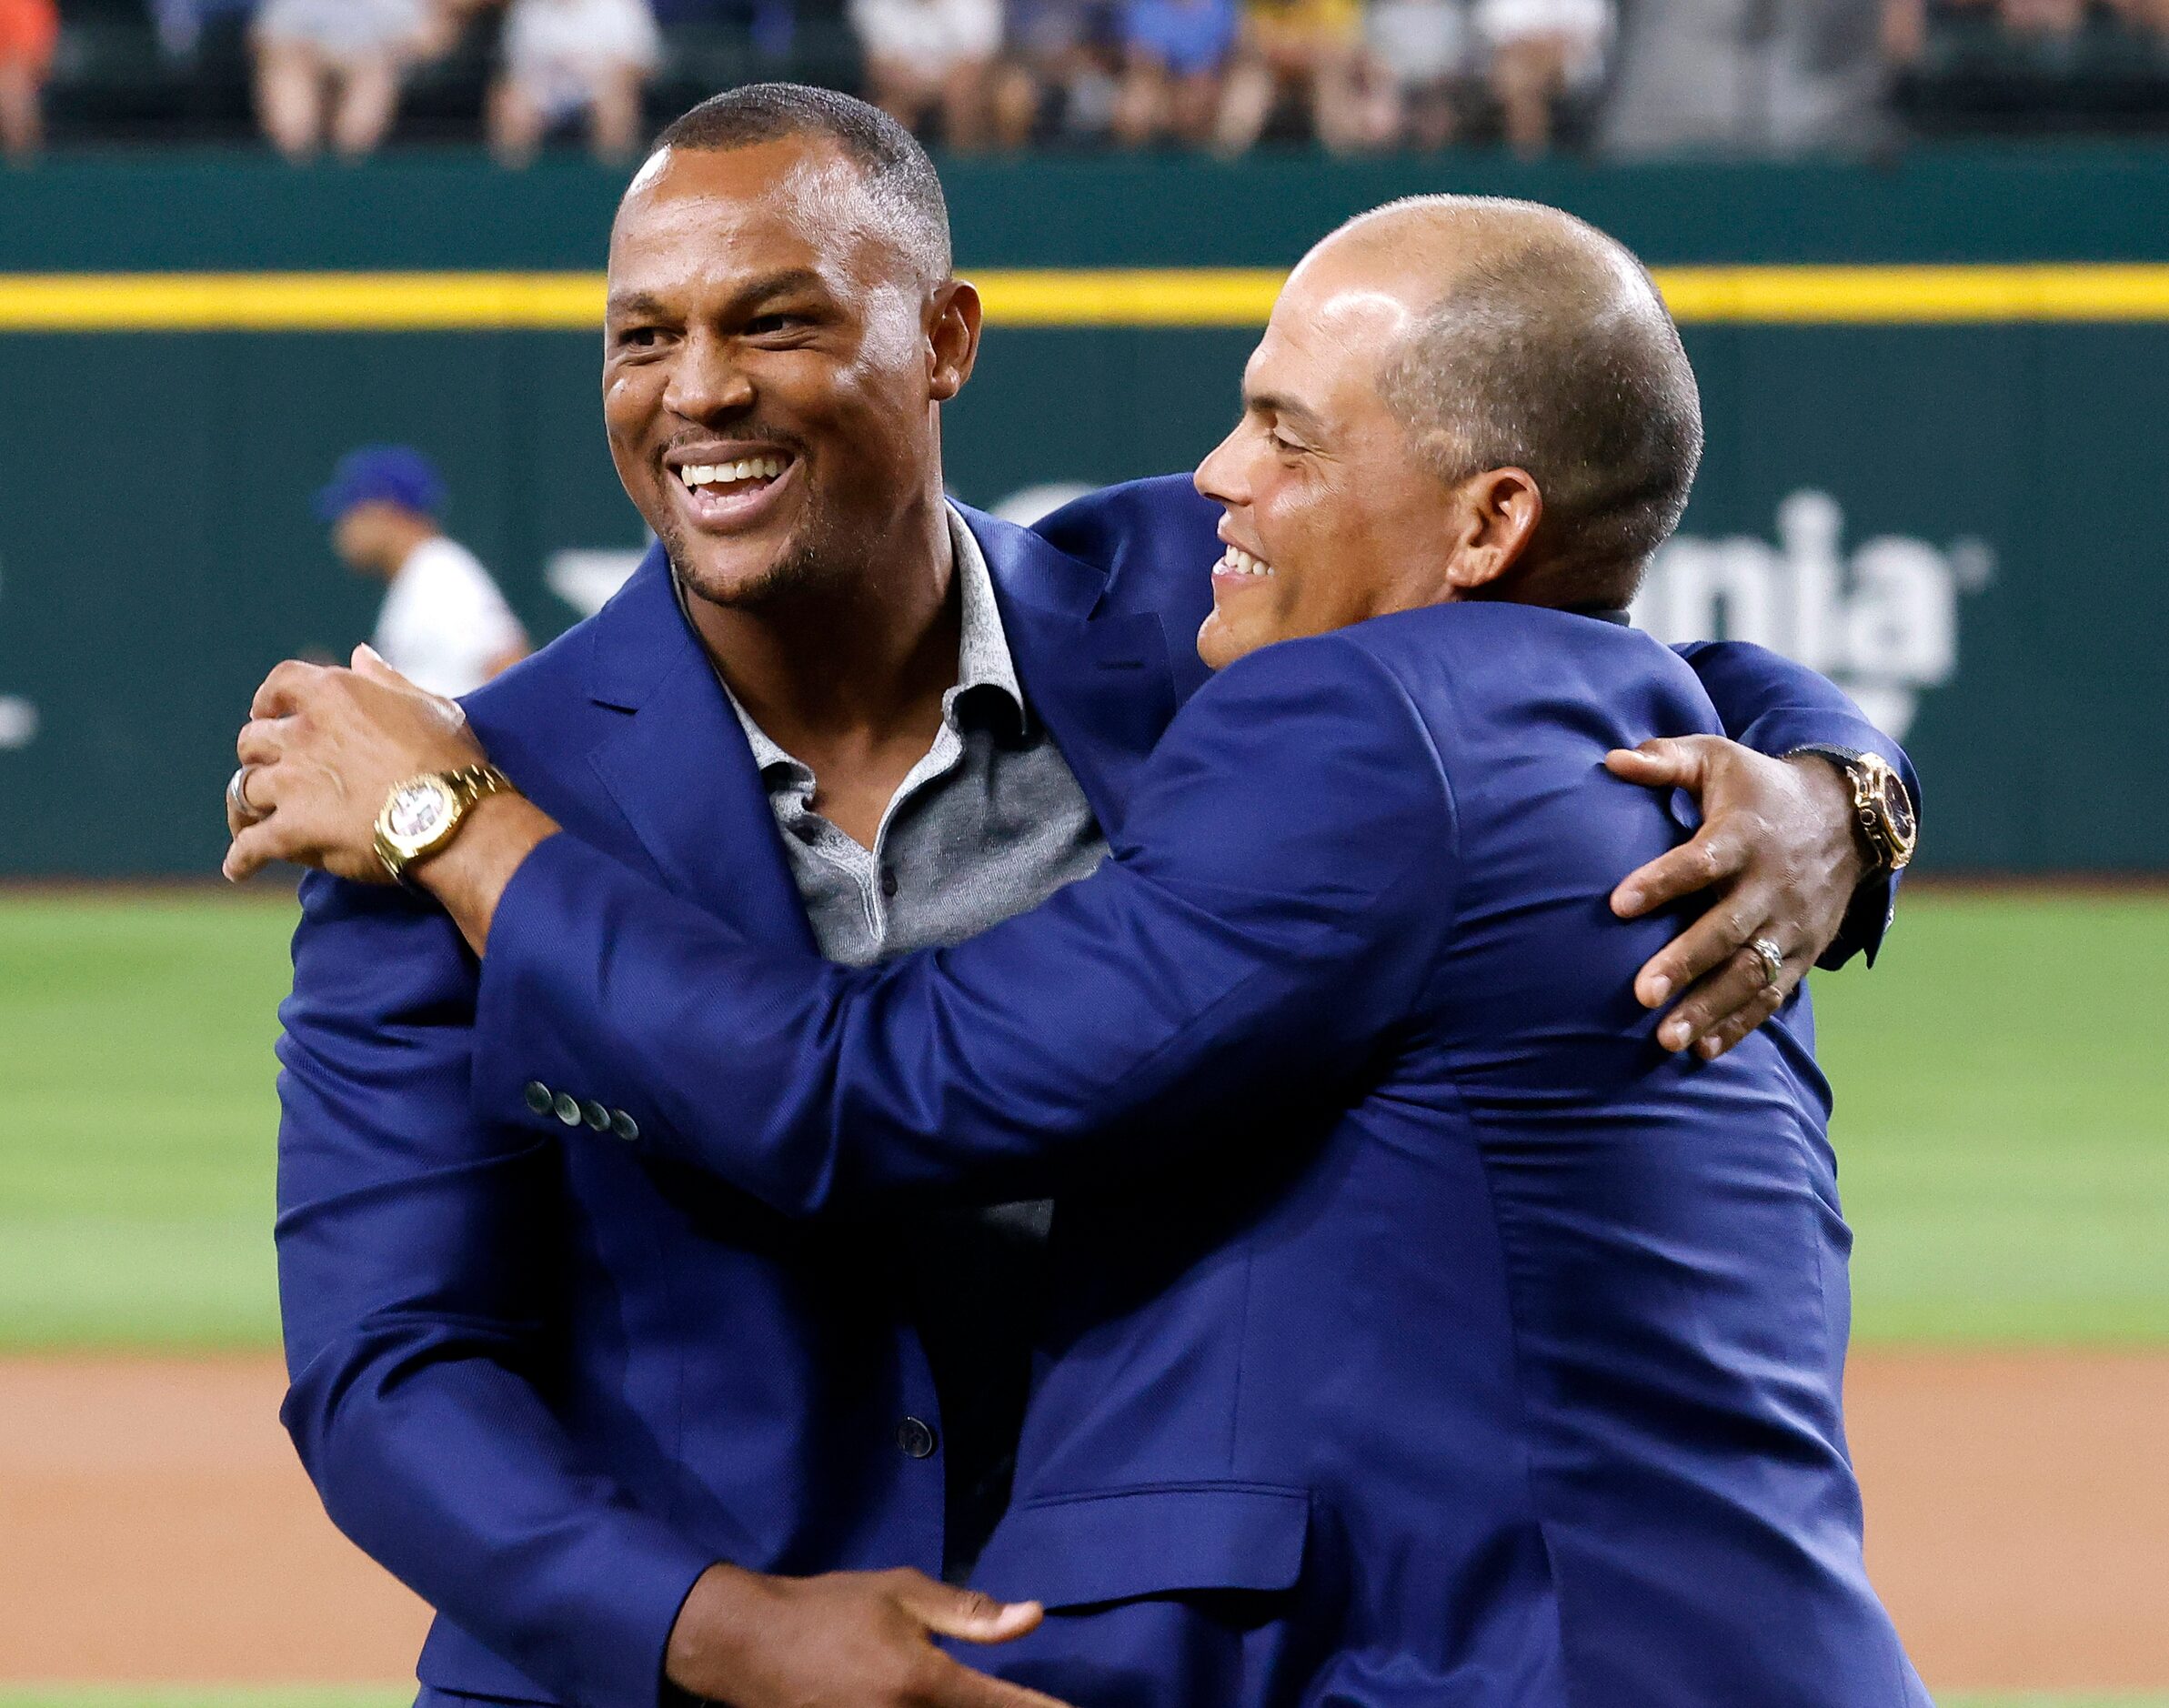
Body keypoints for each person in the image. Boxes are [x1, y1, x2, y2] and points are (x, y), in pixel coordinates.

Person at [226, 87, 1915, 1708]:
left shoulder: (1209, 602)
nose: (700, 390)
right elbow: (389, 1371)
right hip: (681, 1672)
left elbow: (1609, 658)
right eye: (644, 335)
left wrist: (1840, 797)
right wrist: (725, 1631)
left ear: (946, 339)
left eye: (776, 322)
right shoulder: (438, 808)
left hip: (1150, 1658)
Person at [315, 446, 529, 698]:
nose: (341, 529)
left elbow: (510, 664)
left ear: (383, 509)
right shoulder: (417, 577)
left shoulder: (440, 573)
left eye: (349, 512)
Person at [252, 0, 433, 160]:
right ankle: (295, 171)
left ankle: (350, 173)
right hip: (303, 61)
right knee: (285, 71)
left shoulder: (396, 5)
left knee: (374, 76)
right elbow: (266, 39)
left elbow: (428, 41)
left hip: (376, 65)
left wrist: (370, 56)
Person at [491, 0, 663, 165]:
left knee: (615, 105)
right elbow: (514, 69)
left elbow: (644, 65)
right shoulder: (530, 8)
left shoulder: (620, 5)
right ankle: (515, 186)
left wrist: (595, 71)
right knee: (511, 104)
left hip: (600, 87)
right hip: (546, 91)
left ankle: (612, 183)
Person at [851, 0, 1002, 146]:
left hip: (956, 92)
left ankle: (965, 167)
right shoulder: (874, 5)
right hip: (904, 92)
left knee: (963, 97)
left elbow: (973, 68)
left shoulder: (976, 5)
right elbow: (882, 69)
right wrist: (927, 88)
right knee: (888, 113)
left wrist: (936, 88)